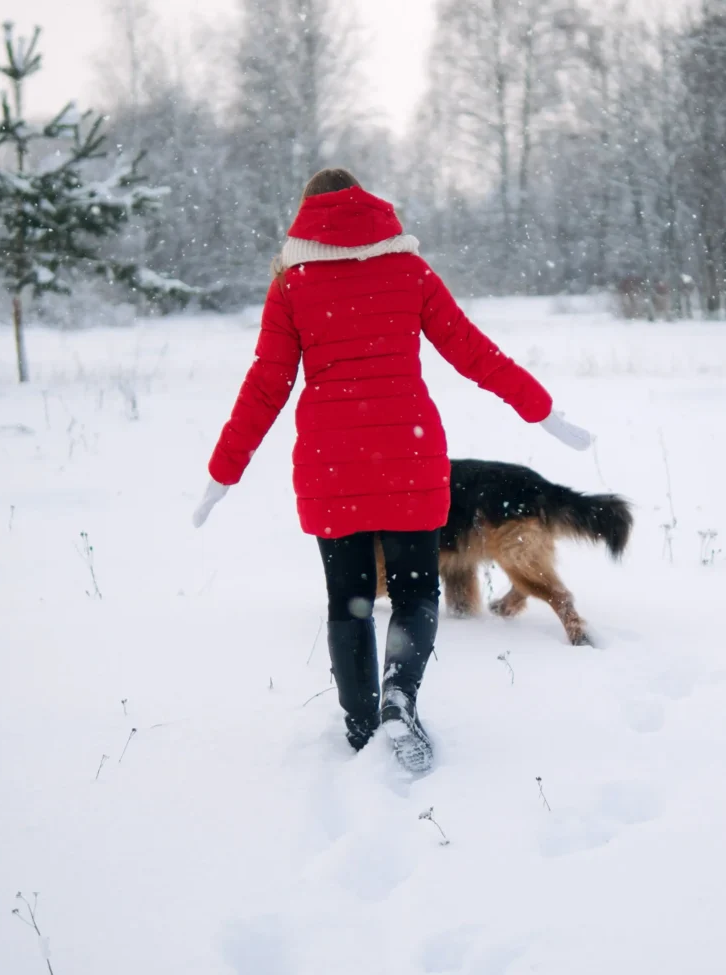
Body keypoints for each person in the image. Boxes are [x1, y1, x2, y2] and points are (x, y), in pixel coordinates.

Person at [191, 168, 592, 774]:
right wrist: (542, 410)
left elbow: (265, 386)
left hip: (332, 469)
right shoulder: (410, 271)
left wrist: (224, 470)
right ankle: (400, 697)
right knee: (413, 594)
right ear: (370, 206)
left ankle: (360, 730)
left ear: (308, 213)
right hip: (410, 460)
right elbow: (473, 351)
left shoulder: (292, 285)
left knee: (348, 602)